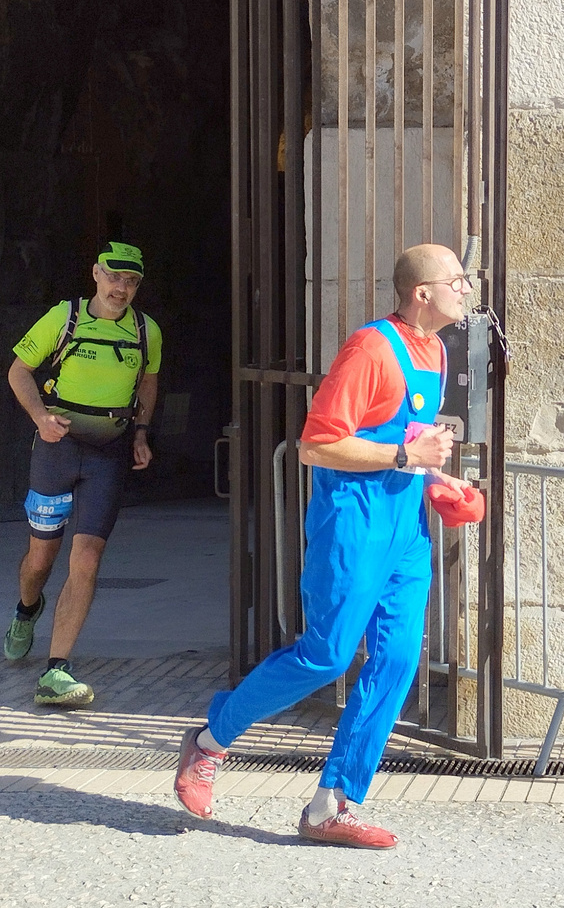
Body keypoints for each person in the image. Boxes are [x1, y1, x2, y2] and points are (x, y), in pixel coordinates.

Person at [175, 243, 473, 848]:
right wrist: (403, 456)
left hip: (405, 527)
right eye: (458, 281)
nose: (467, 290)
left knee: (396, 661)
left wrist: (439, 477)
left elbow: (411, 438)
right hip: (352, 523)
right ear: (423, 293)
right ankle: (209, 740)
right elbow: (315, 445)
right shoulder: (370, 348)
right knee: (328, 656)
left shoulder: (437, 350)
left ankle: (331, 805)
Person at [2, 242, 162, 707]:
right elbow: (18, 371)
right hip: (57, 447)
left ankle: (57, 670)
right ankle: (27, 609)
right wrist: (39, 418)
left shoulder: (147, 331)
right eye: (115, 277)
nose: (122, 288)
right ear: (96, 273)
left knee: (87, 557)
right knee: (40, 559)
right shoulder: (65, 317)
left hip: (108, 453)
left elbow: (148, 382)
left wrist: (141, 432)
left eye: (132, 281)